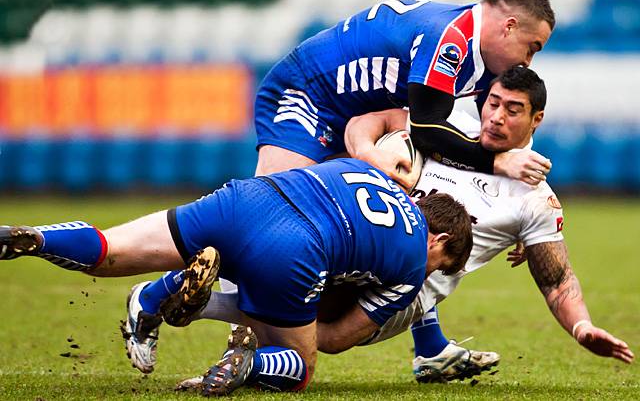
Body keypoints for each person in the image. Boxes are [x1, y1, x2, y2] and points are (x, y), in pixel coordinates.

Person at [183, 67, 634, 385]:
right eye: (493, 103)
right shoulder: (450, 125)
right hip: (356, 241)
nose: (496, 116)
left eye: (513, 110)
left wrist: (582, 328)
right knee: (285, 255)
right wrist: (369, 155)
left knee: (330, 338)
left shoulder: (535, 200)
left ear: (537, 120)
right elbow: (367, 121)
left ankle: (225, 325)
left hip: (404, 289)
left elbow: (558, 281)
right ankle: (229, 334)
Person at [0, 158, 473, 395]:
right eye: (441, 268)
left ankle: (37, 239)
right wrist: (294, 323)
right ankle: (244, 359)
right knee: (302, 364)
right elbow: (335, 338)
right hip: (296, 248)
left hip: (248, 198)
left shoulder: (369, 172)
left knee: (109, 250)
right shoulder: (413, 265)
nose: (432, 275)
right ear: (438, 242)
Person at [253, 0, 555, 188]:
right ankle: (212, 260)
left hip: (359, 114)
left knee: (330, 213)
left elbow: (498, 141)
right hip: (307, 92)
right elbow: (426, 128)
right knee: (277, 200)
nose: (528, 61)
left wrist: (520, 208)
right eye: (532, 47)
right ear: (510, 26)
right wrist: (498, 164)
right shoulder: (450, 39)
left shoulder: (488, 62)